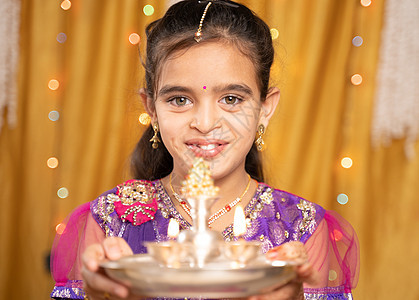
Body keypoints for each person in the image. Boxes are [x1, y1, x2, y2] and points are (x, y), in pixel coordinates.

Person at [50, 1, 359, 299]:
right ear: (152, 109)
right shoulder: (108, 221)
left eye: (232, 99)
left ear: (265, 108)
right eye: (180, 100)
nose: (206, 123)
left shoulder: (302, 228)